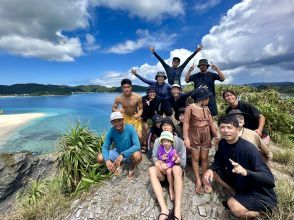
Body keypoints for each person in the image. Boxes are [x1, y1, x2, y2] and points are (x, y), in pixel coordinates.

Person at [204, 115, 277, 218]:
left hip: (258, 192)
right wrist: (210, 169)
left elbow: (270, 180)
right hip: (239, 181)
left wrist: (246, 172)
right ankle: (235, 193)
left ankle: (263, 213)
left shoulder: (249, 149)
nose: (225, 131)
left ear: (238, 130)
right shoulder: (223, 143)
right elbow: (219, 159)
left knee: (233, 205)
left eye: (229, 127)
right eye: (222, 127)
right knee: (215, 172)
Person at [149, 117, 186, 220]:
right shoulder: (158, 141)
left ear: (173, 128)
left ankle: (177, 210)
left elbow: (183, 163)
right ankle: (164, 209)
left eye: (168, 125)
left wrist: (178, 161)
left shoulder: (179, 142)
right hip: (163, 172)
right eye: (163, 125)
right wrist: (158, 164)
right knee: (151, 169)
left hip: (175, 174)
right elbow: (154, 157)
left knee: (176, 169)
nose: (165, 126)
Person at [183, 87, 218, 194]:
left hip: (206, 134)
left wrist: (216, 136)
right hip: (194, 135)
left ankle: (204, 178)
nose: (209, 99)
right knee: (195, 158)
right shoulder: (190, 108)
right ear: (202, 98)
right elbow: (186, 123)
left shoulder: (207, 109)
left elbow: (211, 123)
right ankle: (198, 179)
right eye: (207, 97)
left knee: (204, 157)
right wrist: (186, 138)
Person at [97, 112, 142, 180]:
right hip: (117, 152)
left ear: (123, 120)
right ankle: (120, 163)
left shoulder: (130, 128)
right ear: (111, 123)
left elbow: (137, 146)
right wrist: (107, 161)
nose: (117, 124)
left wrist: (123, 154)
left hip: (130, 154)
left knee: (138, 155)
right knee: (99, 157)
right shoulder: (111, 131)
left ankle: (132, 165)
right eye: (114, 122)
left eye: (119, 121)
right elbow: (105, 147)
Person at [157, 131, 179, 206]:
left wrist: (169, 164)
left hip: (170, 166)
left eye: (168, 141)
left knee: (169, 171)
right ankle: (163, 179)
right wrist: (162, 158)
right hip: (163, 165)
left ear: (171, 142)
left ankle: (170, 187)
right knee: (158, 163)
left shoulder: (173, 151)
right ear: (162, 142)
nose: (166, 143)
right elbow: (159, 156)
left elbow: (173, 161)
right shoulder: (160, 148)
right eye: (164, 141)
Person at [141, 85, 161, 152]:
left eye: (154, 92)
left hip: (153, 114)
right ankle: (144, 144)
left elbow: (156, 110)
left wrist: (151, 102)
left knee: (158, 124)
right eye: (150, 92)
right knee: (145, 128)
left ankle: (159, 138)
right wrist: (147, 104)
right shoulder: (143, 99)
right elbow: (144, 111)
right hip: (144, 115)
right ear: (148, 93)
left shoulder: (157, 99)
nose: (152, 93)